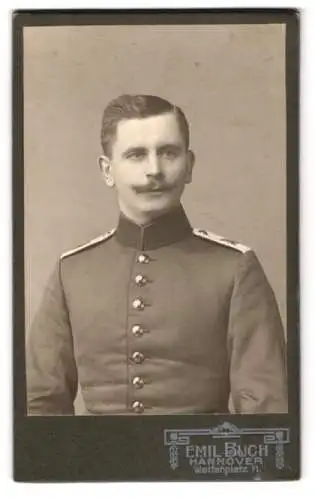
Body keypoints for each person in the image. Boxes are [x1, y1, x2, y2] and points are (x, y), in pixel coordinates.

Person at [26, 94, 288, 416]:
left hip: (199, 464)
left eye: (168, 152)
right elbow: (39, 407)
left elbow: (266, 412)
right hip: (95, 466)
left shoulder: (234, 269)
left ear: (189, 165)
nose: (154, 170)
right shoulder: (73, 271)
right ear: (107, 170)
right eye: (136, 155)